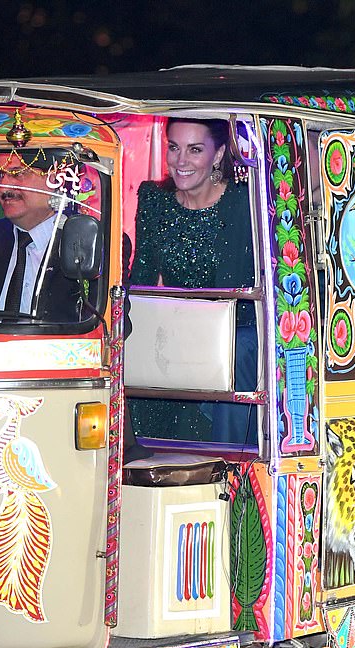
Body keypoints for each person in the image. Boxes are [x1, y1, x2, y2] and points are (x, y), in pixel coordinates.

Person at [128, 118, 257, 444]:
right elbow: (140, 278)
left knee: (237, 352)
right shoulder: (154, 200)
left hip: (236, 338)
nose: (180, 160)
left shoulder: (245, 202)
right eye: (174, 147)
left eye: (194, 149)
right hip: (173, 335)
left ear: (218, 154)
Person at [0, 152, 81, 319]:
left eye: (17, 173)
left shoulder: (89, 242)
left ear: (56, 178)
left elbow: (109, 327)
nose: (3, 187)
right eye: (0, 174)